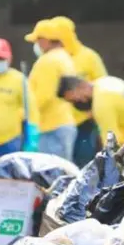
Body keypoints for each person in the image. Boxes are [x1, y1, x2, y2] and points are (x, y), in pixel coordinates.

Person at [57, 75, 124, 163]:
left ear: (81, 86)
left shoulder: (101, 104)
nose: (76, 103)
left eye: (74, 99)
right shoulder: (106, 81)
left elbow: (112, 144)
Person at [51, 16, 108, 167]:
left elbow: (102, 83)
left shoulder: (89, 57)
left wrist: (93, 113)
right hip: (60, 123)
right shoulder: (51, 59)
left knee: (84, 163)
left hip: (85, 121)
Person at [24, 20, 77, 161]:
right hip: (65, 123)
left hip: (51, 127)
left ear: (46, 40)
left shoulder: (47, 61)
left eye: (38, 40)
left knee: (50, 175)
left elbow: (43, 96)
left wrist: (24, 114)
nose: (37, 45)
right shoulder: (65, 57)